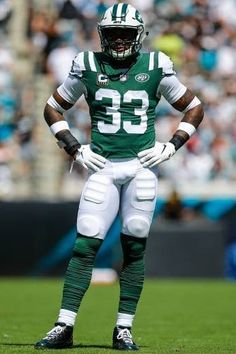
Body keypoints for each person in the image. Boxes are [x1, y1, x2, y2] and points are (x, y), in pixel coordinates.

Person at [35, 3, 204, 351]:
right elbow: (52, 106)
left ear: (138, 35)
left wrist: (172, 145)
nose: (120, 41)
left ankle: (123, 328)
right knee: (86, 244)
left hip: (141, 166)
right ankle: (64, 325)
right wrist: (73, 147)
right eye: (114, 34)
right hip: (104, 165)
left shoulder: (156, 66)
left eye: (126, 34)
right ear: (102, 35)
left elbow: (195, 106)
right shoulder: (87, 65)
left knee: (135, 242)